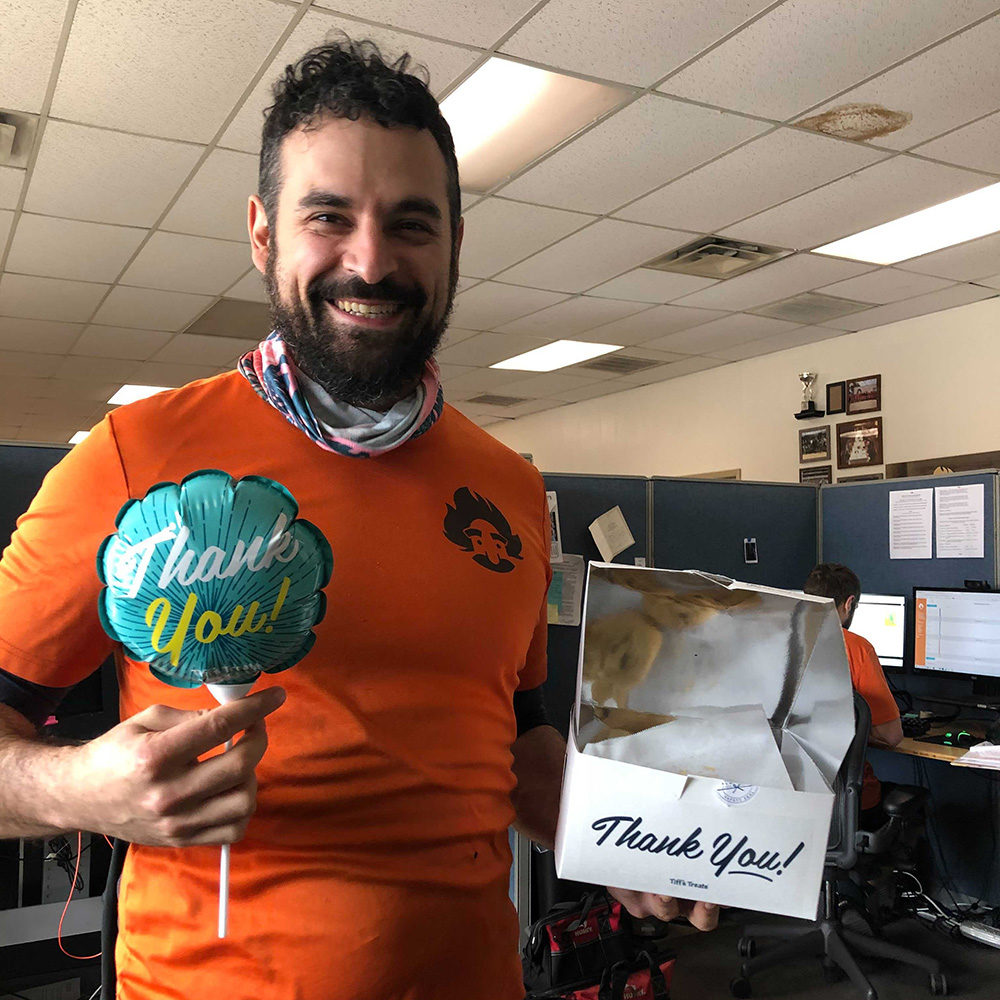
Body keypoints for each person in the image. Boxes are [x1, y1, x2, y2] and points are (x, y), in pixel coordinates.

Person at [0, 38, 714, 1000]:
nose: (370, 261)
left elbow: (512, 740)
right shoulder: (134, 458)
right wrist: (79, 789)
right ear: (263, 233)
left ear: (455, 243)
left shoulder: (507, 485)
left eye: (411, 224)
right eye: (327, 217)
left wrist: (636, 842)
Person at [803, 563, 903, 827]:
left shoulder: (777, 641)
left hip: (793, 800)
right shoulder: (857, 649)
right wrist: (855, 727)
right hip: (849, 805)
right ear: (848, 603)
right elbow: (892, 737)